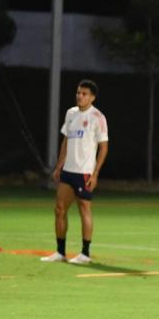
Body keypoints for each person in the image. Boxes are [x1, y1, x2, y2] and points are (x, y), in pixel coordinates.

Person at [41, 80, 108, 265]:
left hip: (84, 172)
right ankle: (60, 252)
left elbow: (103, 148)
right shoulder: (70, 113)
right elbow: (66, 141)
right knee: (59, 209)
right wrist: (59, 165)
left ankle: (85, 254)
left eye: (84, 93)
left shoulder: (98, 117)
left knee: (84, 209)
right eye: (78, 92)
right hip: (68, 171)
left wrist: (95, 174)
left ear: (92, 97)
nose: (80, 96)